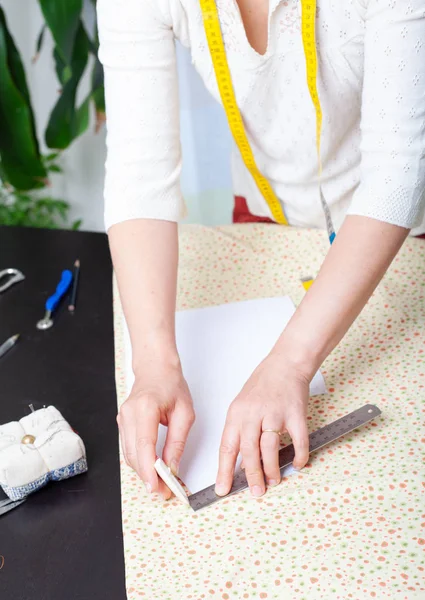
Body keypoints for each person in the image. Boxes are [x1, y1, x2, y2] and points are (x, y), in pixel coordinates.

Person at [97, 0, 425, 500]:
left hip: (404, 230)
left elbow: (396, 176)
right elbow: (138, 178)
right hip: (267, 215)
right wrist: (154, 364)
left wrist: (290, 363)